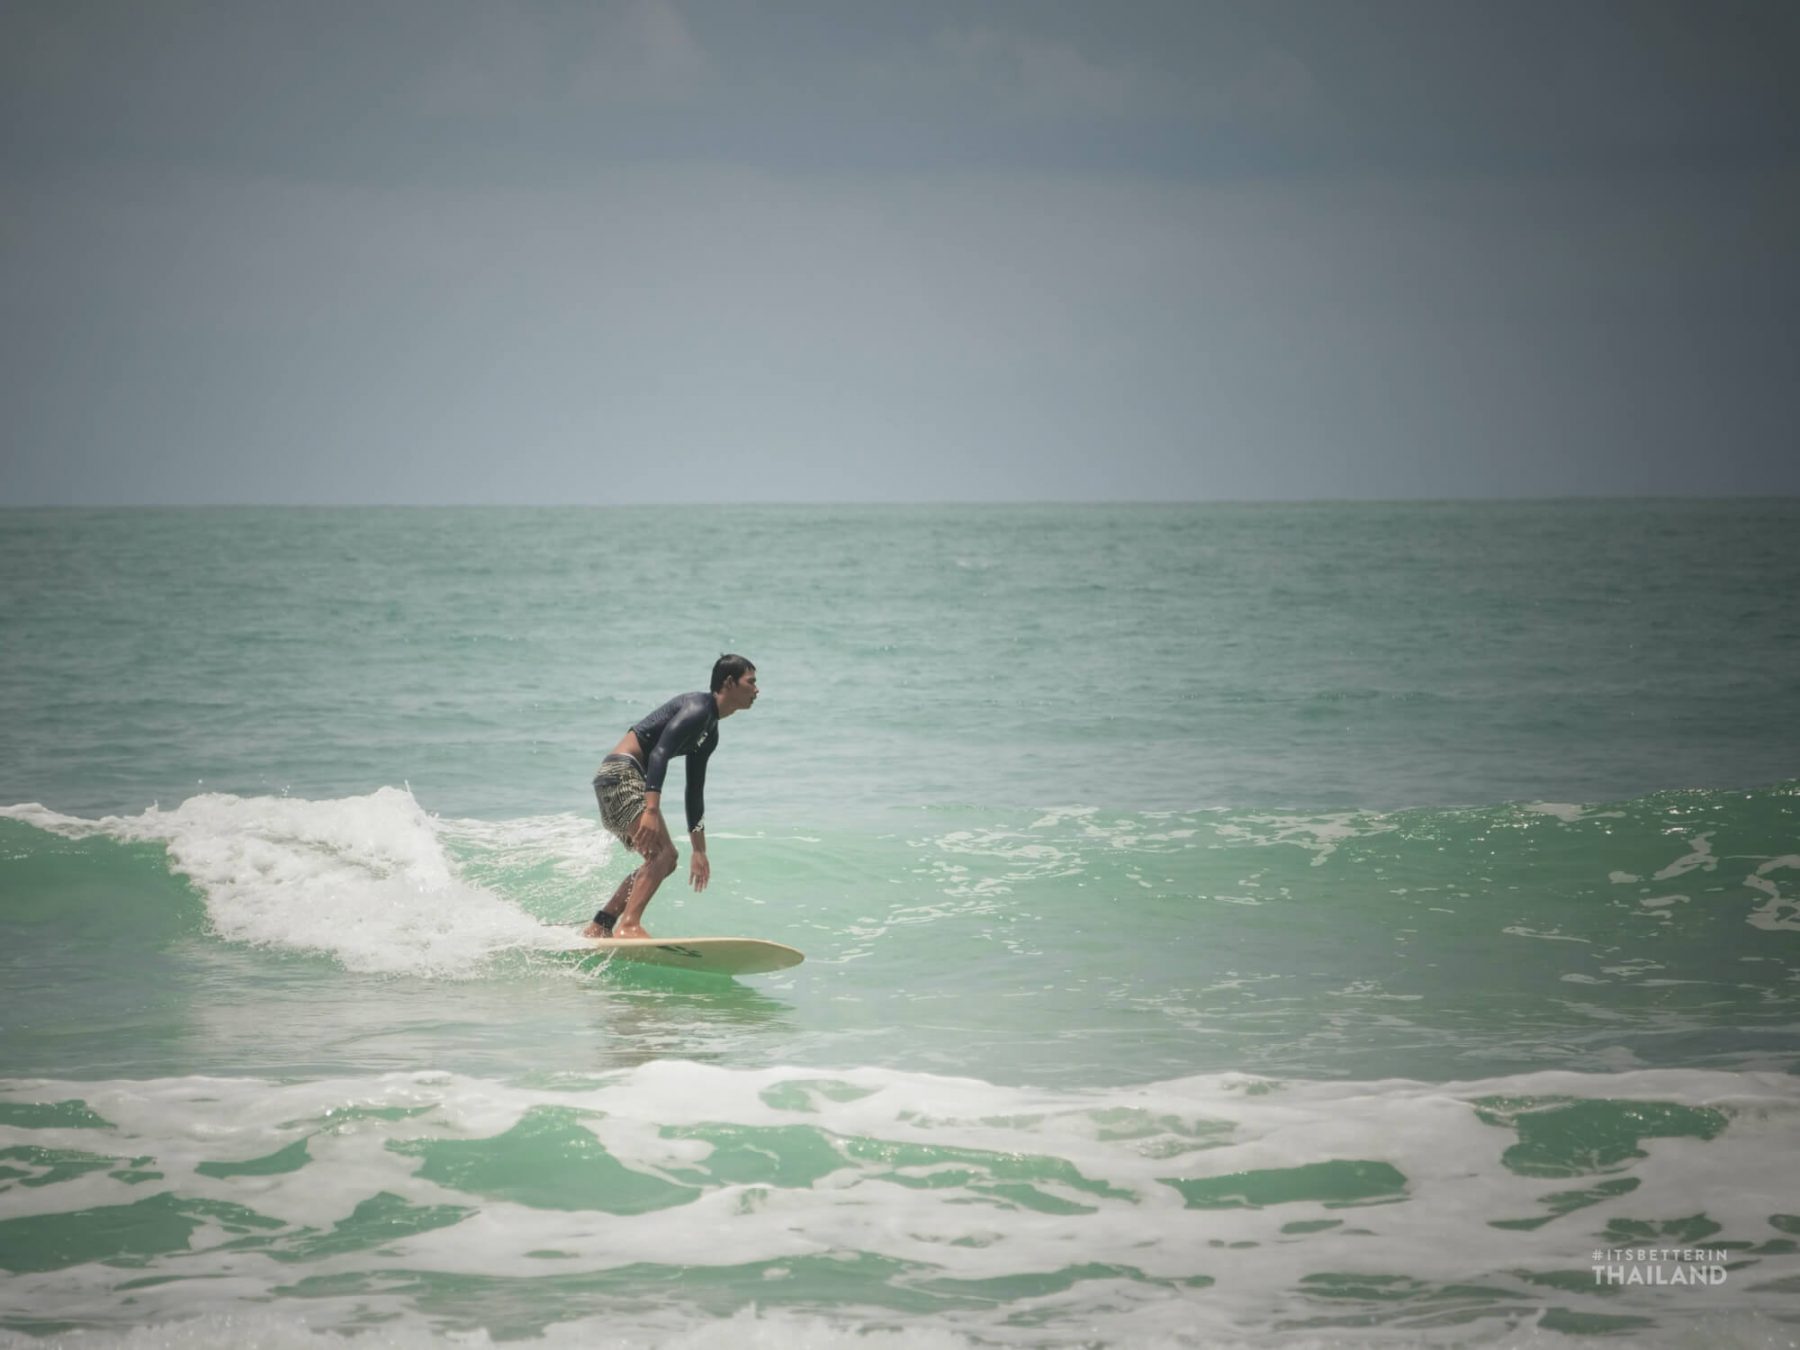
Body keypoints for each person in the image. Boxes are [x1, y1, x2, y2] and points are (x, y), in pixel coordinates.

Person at [583, 655, 760, 939]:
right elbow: (659, 753)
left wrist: (699, 849)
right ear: (729, 683)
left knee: (661, 860)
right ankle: (628, 926)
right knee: (663, 856)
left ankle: (601, 924)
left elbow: (694, 791)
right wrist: (652, 812)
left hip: (618, 778)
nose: (757, 690)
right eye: (751, 682)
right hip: (622, 774)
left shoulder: (710, 730)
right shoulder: (698, 709)